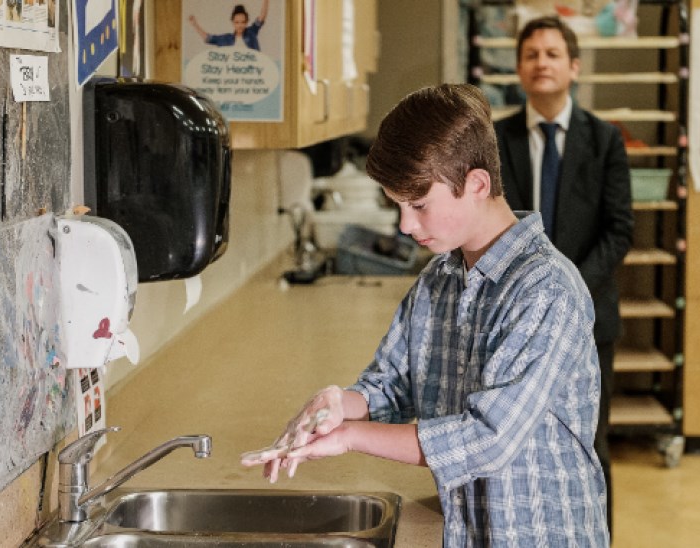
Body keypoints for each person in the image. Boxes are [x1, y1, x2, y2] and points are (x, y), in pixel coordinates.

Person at [241, 83, 609, 547]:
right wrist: (339, 403)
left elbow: (487, 438)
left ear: (476, 184)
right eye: (397, 206)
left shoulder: (545, 289)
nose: (405, 225)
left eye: (418, 205)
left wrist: (352, 437)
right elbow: (392, 383)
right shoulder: (439, 280)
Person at [493, 16, 634, 537]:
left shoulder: (605, 142)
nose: (541, 63)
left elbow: (620, 232)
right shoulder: (494, 138)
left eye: (552, 54)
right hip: (513, 323)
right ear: (519, 68)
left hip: (589, 324)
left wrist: (565, 290)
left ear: (573, 67)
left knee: (589, 444)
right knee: (517, 441)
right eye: (531, 54)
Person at [188, 1, 269, 51]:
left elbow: (262, 17)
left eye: (243, 22)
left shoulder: (251, 32)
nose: (240, 25)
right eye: (237, 22)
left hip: (252, 75)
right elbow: (208, 38)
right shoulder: (225, 39)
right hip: (232, 76)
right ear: (232, 22)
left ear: (246, 22)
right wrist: (195, 24)